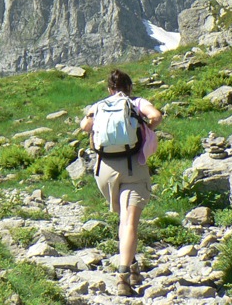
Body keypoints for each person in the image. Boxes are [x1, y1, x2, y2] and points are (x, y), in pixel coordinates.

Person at [79, 69, 163, 297]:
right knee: (129, 222)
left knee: (123, 219)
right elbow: (155, 116)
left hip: (105, 170)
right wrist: (145, 130)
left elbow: (85, 127)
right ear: (130, 87)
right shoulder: (136, 102)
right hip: (133, 166)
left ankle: (133, 266)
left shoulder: (99, 105)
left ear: (110, 89)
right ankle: (123, 276)